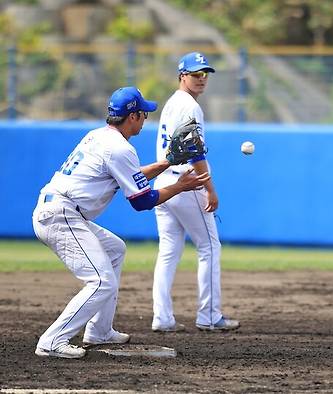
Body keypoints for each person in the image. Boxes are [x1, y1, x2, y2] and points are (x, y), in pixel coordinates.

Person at [32, 86, 210, 358]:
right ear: (133, 116)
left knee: (115, 249)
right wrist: (179, 186)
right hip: (61, 215)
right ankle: (52, 340)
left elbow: (132, 176)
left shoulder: (100, 137)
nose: (146, 118)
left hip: (58, 210)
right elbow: (142, 201)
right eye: (144, 113)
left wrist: (167, 162)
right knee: (101, 281)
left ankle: (100, 330)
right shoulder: (120, 149)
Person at [152, 52, 239, 332]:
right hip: (186, 184)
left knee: (168, 252)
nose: (201, 79)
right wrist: (209, 188)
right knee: (210, 247)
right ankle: (209, 316)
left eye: (204, 74)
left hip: (164, 185)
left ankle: (162, 318)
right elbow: (194, 151)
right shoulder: (189, 106)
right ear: (182, 76)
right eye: (195, 74)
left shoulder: (172, 104)